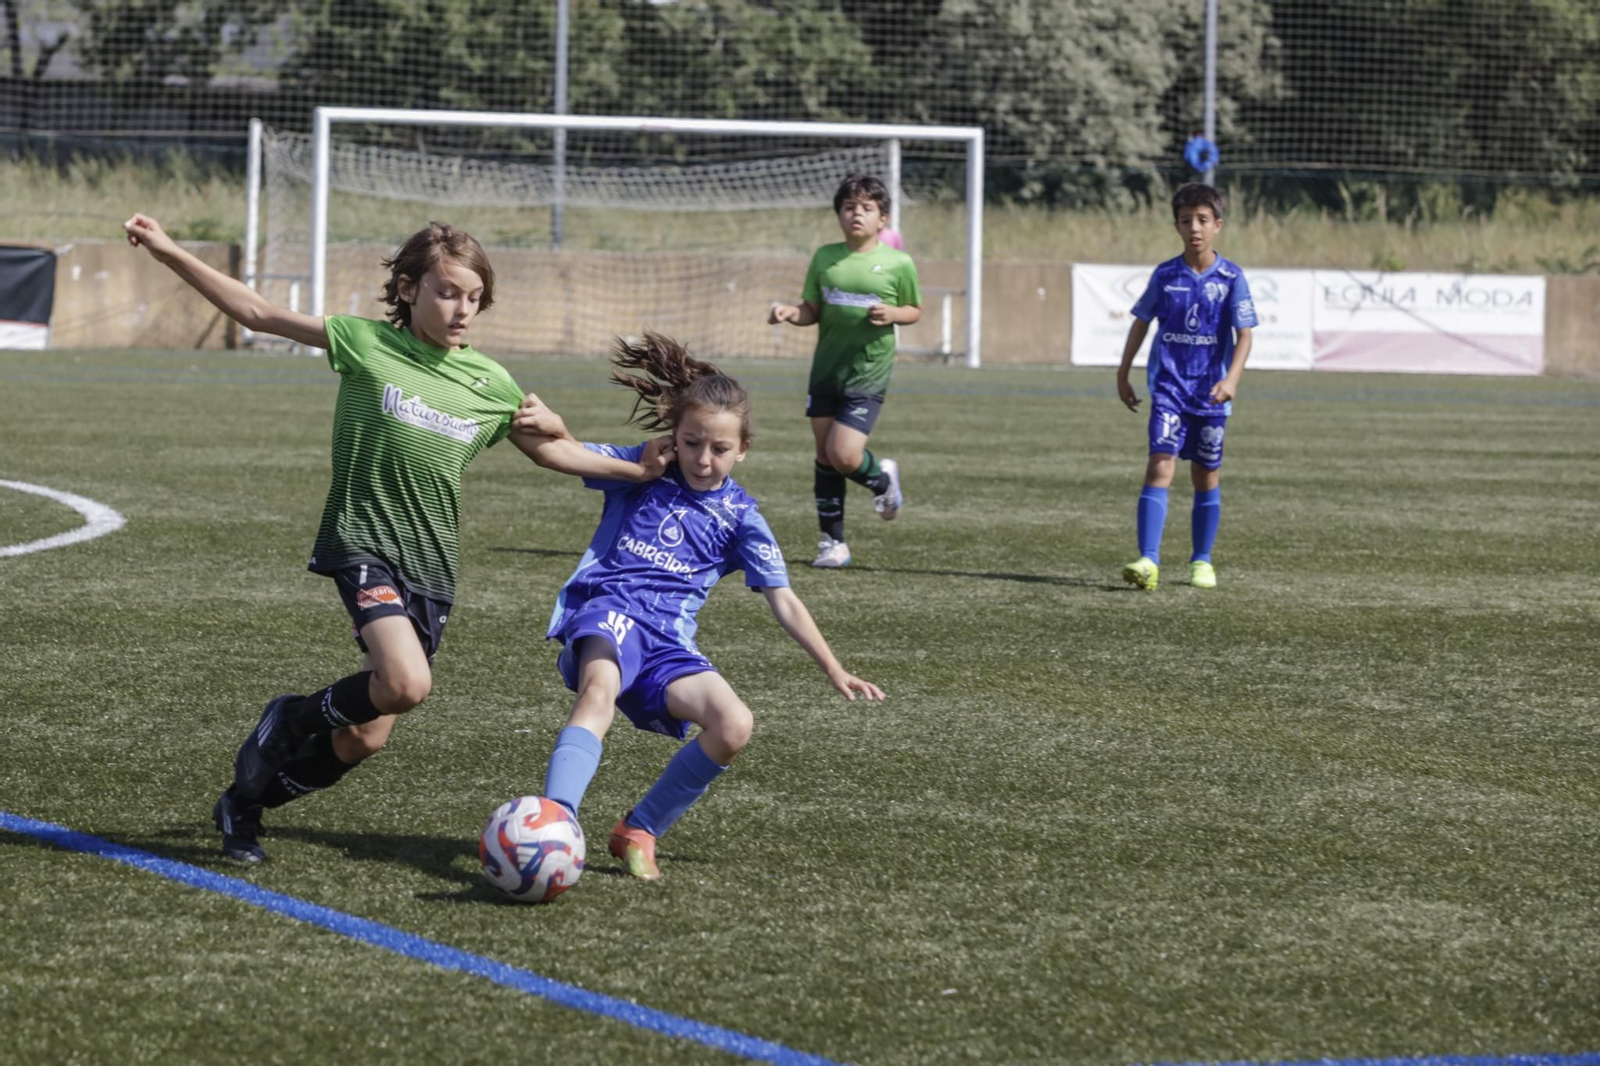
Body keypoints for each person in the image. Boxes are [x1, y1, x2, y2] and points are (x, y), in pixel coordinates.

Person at [122, 213, 666, 863]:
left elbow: (555, 452)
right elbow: (258, 312)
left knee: (365, 737)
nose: (462, 309)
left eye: (473, 297)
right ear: (408, 289)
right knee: (408, 684)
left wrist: (636, 468)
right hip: (363, 542)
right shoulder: (364, 344)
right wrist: (167, 250)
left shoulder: (491, 384)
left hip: (431, 567)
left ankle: (244, 805)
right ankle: (290, 718)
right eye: (447, 292)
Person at [514, 332, 885, 881]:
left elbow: (782, 598)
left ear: (743, 450)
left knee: (733, 725)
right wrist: (549, 424)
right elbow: (561, 453)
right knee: (600, 688)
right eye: (691, 443)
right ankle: (557, 819)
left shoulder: (741, 516)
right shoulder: (645, 466)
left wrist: (834, 668)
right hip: (609, 611)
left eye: (718, 449)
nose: (702, 460)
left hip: (666, 642)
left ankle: (638, 829)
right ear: (675, 436)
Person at [768, 173, 921, 569]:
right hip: (826, 370)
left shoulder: (898, 263)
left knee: (843, 453)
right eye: (849, 207)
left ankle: (883, 481)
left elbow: (914, 310)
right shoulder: (824, 257)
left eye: (867, 208)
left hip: (868, 370)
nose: (857, 214)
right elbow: (811, 310)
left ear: (882, 219)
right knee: (824, 454)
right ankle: (832, 543)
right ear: (839, 214)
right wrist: (789, 313)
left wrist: (893, 313)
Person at [1114, 183, 1257, 591]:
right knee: (1160, 462)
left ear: (1217, 225)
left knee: (1205, 475)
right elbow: (1141, 322)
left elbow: (1244, 335)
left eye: (1202, 220)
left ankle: (1201, 560)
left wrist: (1231, 380)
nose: (1194, 227)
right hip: (1169, 389)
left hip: (1211, 393)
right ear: (1176, 226)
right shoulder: (1165, 275)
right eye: (1185, 220)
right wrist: (1123, 372)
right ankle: (1148, 560)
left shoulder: (1231, 277)